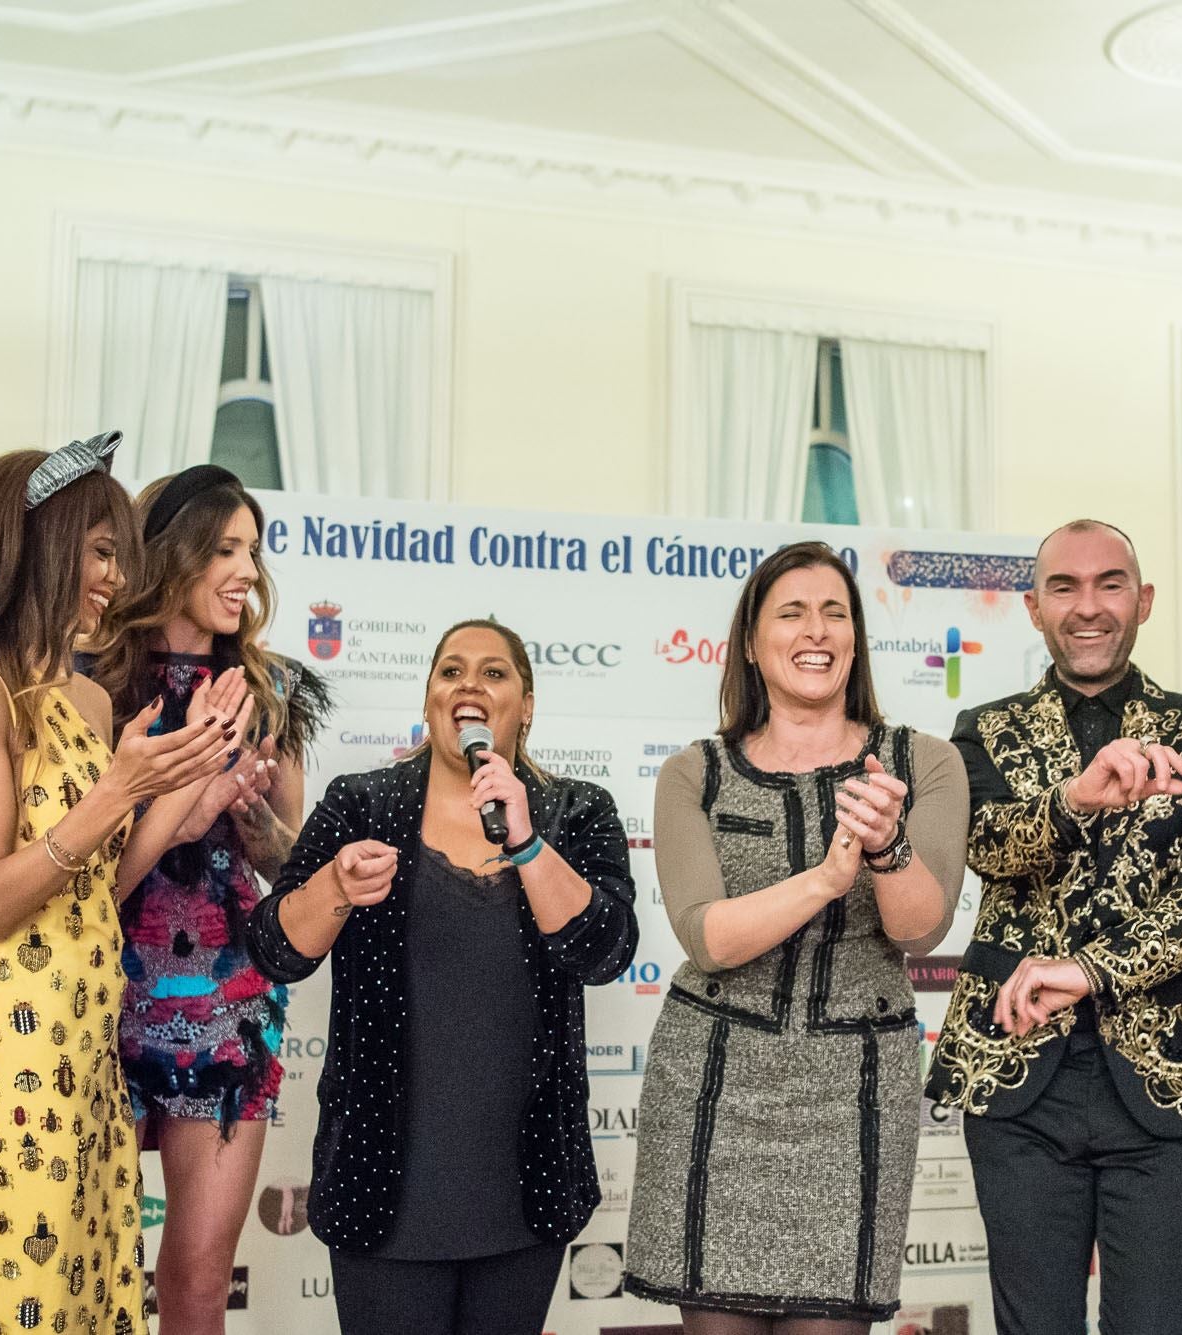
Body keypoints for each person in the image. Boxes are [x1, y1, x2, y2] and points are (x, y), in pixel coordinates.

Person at [0, 438, 254, 1335]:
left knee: (97, 1310)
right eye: (102, 552)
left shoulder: (88, 701)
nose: (113, 578)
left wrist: (177, 802)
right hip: (11, 1054)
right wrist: (120, 789)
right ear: (35, 547)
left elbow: (93, 891)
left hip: (92, 1048)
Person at [245, 618, 638, 1335]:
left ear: (526, 703)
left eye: (493, 673)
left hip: (524, 1191)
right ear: (428, 699)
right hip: (384, 1186)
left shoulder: (577, 811)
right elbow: (277, 949)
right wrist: (334, 885)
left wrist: (527, 841)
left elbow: (605, 950)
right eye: (450, 670)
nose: (468, 685)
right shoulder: (363, 802)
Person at [623, 541, 967, 1334]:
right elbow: (706, 935)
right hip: (712, 1090)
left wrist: (886, 848)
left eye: (834, 613)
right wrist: (824, 879)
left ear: (855, 639)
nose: (816, 630)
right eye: (791, 612)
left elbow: (921, 926)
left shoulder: (924, 761)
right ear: (750, 640)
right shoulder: (693, 773)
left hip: (852, 1098)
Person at [925, 519, 1182, 1335]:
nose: (1088, 607)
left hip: (1167, 1080)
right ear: (1033, 608)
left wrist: (1090, 970)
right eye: (1063, 588)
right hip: (1017, 1084)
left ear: (1143, 600)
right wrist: (1075, 801)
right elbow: (989, 846)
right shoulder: (983, 729)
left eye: (1110, 583)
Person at [85, 464, 329, 1332]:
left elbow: (291, 865)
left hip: (229, 1005)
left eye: (254, 552)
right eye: (226, 548)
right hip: (92, 996)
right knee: (93, 1268)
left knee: (195, 1278)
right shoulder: (89, 683)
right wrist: (181, 794)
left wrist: (254, 816)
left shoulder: (271, 689)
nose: (247, 572)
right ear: (171, 552)